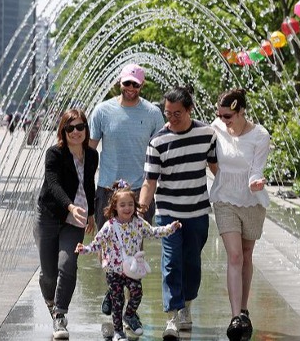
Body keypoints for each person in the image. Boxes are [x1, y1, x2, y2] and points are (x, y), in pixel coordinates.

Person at [138, 86, 218, 339]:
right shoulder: (158, 141)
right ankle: (172, 315)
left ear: (189, 110)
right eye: (167, 113)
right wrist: (140, 209)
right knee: (171, 262)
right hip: (168, 212)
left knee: (192, 262)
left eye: (177, 113)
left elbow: (217, 168)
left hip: (196, 211)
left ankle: (187, 307)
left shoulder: (207, 134)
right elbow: (149, 181)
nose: (171, 118)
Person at [88, 63, 165, 317]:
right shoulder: (102, 111)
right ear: (119, 83)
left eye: (136, 84)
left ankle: (129, 306)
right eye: (127, 83)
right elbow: (90, 151)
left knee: (133, 250)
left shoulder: (153, 113)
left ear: (141, 86)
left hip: (138, 192)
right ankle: (113, 292)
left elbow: (160, 152)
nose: (131, 88)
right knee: (108, 247)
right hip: (108, 191)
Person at [76, 180, 181, 341]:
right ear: (115, 207)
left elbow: (153, 232)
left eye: (130, 204)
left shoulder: (138, 223)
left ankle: (129, 315)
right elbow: (97, 243)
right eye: (123, 205)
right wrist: (85, 249)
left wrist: (170, 228)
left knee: (137, 293)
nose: (127, 208)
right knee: (117, 301)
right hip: (114, 271)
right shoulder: (110, 226)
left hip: (131, 270)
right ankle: (118, 331)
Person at [209, 89, 270, 340]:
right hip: (224, 199)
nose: (223, 120)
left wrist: (256, 183)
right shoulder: (217, 128)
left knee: (246, 254)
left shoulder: (260, 135)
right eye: (220, 115)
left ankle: (244, 309)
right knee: (234, 255)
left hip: (252, 201)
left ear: (241, 111)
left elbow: (257, 170)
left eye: (228, 116)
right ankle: (236, 317)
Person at [34, 108, 98, 339]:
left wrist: (90, 213)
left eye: (80, 127)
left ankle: (60, 315)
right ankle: (51, 300)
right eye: (70, 128)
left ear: (85, 128)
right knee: (49, 274)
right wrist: (69, 206)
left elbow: (89, 184)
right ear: (63, 130)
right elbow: (53, 184)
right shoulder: (54, 153)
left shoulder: (91, 155)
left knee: (67, 264)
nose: (75, 132)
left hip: (76, 219)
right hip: (50, 215)